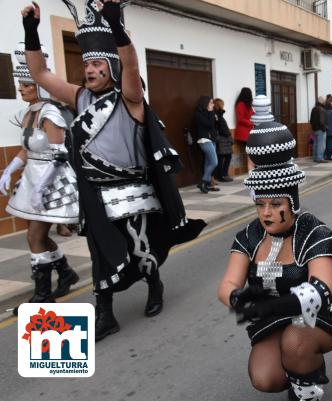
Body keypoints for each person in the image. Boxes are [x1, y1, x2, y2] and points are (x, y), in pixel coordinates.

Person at [20, 0, 206, 339]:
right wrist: (31, 31)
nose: (89, 69)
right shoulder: (79, 98)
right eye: (86, 63)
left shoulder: (130, 99)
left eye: (96, 63)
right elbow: (41, 75)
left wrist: (116, 26)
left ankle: (154, 285)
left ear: (111, 67)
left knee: (142, 250)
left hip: (133, 192)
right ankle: (105, 313)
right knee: (100, 254)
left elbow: (132, 66)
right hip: (95, 196)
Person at [218, 118, 332, 401]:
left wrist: (270, 305)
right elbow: (227, 283)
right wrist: (239, 299)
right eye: (260, 204)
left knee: (296, 342)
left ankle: (306, 385)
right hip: (282, 315)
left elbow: (321, 293)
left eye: (276, 204)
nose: (266, 213)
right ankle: (298, 368)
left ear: (292, 202)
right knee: (265, 377)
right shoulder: (249, 235)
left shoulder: (316, 232)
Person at [1, 43, 79, 315]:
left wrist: (41, 189)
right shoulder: (29, 113)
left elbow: (59, 154)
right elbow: (26, 148)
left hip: (51, 182)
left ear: (40, 87)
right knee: (39, 237)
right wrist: (10, 169)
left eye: (26, 85)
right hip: (33, 178)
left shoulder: (50, 113)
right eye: (20, 85)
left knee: (35, 236)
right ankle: (65, 272)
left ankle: (43, 295)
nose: (21, 89)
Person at [193, 96, 220, 193]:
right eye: (211, 103)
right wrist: (211, 112)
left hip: (212, 139)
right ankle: (203, 181)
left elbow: (215, 124)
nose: (213, 105)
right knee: (214, 162)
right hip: (204, 140)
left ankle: (207, 184)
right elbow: (209, 124)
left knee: (208, 162)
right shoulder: (198, 114)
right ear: (205, 104)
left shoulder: (208, 113)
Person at [213, 98, 234, 182]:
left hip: (225, 138)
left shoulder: (219, 115)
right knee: (221, 158)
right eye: (222, 104)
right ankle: (221, 176)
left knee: (227, 157)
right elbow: (220, 127)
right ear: (219, 105)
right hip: (221, 138)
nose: (223, 106)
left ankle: (224, 174)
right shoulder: (216, 115)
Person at [234, 87, 255, 171]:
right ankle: (251, 170)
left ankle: (252, 168)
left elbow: (253, 114)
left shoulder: (248, 105)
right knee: (250, 153)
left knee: (251, 152)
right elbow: (240, 119)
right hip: (243, 134)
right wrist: (252, 122)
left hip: (249, 132)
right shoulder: (240, 104)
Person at [310, 96, 328, 163]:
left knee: (316, 143)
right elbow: (321, 121)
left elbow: (311, 120)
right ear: (322, 102)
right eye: (324, 101)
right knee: (321, 144)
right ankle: (320, 158)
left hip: (315, 129)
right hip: (321, 129)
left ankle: (315, 157)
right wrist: (324, 128)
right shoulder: (322, 109)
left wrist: (313, 127)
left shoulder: (314, 108)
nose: (325, 102)